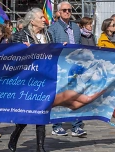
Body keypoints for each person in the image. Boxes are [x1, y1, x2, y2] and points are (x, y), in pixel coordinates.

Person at [48, 1, 85, 137]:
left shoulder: (75, 27)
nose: (67, 12)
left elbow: (80, 45)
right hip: (60, 67)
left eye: (69, 10)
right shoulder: (53, 29)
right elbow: (49, 48)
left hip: (74, 66)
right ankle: (57, 125)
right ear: (58, 12)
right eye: (64, 10)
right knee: (60, 97)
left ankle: (77, 125)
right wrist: (59, 47)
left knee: (76, 95)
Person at [98, 18, 115, 119]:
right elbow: (101, 54)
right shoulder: (102, 39)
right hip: (107, 66)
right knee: (107, 88)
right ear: (108, 27)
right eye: (113, 24)